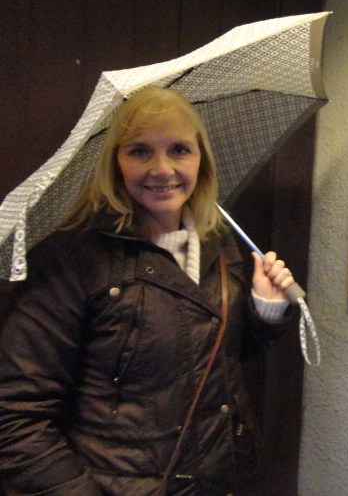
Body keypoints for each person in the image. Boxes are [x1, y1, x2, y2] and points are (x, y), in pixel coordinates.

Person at [0, 86, 297, 495]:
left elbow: (213, 359)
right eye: (140, 151)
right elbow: (15, 419)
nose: (162, 169)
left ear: (201, 159)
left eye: (179, 149)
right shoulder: (70, 260)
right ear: (115, 162)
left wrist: (265, 310)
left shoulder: (219, 241)